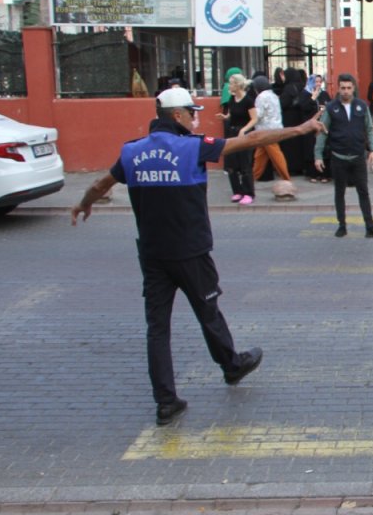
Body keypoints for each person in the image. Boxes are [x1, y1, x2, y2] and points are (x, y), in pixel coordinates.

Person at [70, 88, 326, 426]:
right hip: (190, 252)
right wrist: (299, 129)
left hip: (152, 255)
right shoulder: (193, 148)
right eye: (191, 112)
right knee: (208, 312)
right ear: (176, 116)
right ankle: (232, 366)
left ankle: (165, 401)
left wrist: (84, 201)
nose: (195, 117)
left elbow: (103, 183)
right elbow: (252, 140)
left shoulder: (131, 152)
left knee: (157, 328)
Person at [313, 74, 373, 239]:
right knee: (339, 192)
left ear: (353, 88)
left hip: (358, 157)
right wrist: (318, 155)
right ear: (338, 89)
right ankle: (342, 225)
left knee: (363, 192)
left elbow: (369, 128)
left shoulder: (361, 106)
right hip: (338, 157)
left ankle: (370, 226)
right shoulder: (332, 108)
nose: (345, 91)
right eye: (342, 88)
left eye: (348, 88)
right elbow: (322, 132)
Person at [217, 73, 256, 205]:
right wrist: (225, 117)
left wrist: (244, 130)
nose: (230, 85)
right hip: (232, 133)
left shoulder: (248, 100)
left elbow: (254, 119)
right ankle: (237, 191)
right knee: (231, 164)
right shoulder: (232, 99)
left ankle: (248, 193)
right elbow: (231, 115)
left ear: (238, 85)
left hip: (243, 134)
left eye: (232, 83)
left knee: (245, 164)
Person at [250, 75, 293, 190]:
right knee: (259, 156)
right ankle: (250, 180)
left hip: (266, 131)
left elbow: (258, 115)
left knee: (276, 155)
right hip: (275, 129)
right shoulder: (273, 95)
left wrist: (249, 113)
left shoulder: (261, 97)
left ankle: (286, 178)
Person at [308, 74, 333, 183]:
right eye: (315, 82)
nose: (318, 84)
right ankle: (313, 173)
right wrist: (313, 98)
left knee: (323, 148)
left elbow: (329, 105)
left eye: (319, 82)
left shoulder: (324, 94)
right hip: (310, 126)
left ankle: (324, 174)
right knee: (312, 148)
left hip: (323, 124)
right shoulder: (307, 93)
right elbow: (304, 107)